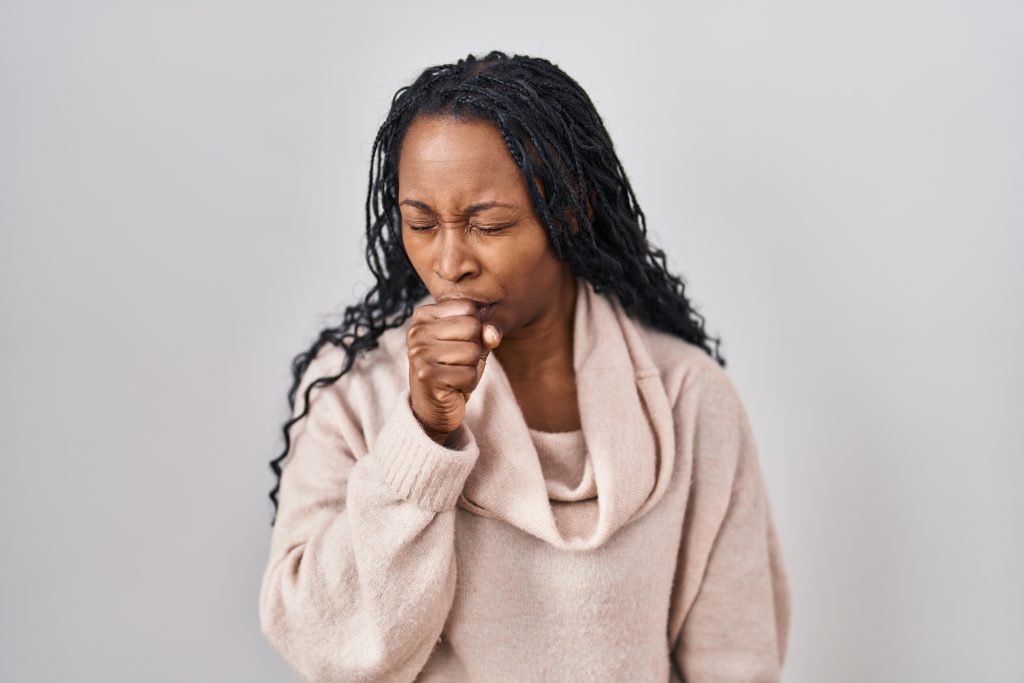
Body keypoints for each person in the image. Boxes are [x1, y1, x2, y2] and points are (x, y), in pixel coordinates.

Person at [258, 51, 791, 682]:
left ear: (569, 211)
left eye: (487, 226)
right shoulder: (352, 393)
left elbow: (737, 660)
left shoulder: (689, 401)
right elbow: (321, 644)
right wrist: (422, 435)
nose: (449, 263)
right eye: (421, 223)